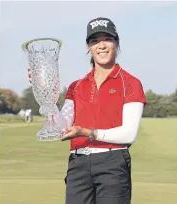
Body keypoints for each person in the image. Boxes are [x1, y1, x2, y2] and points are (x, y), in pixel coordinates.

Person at [28, 17, 146, 204]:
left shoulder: (131, 83)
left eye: (107, 39)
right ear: (88, 47)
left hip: (113, 163)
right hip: (78, 164)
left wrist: (87, 132)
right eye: (94, 41)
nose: (101, 45)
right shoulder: (77, 86)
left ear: (117, 42)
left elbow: (128, 134)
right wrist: (45, 94)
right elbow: (63, 126)